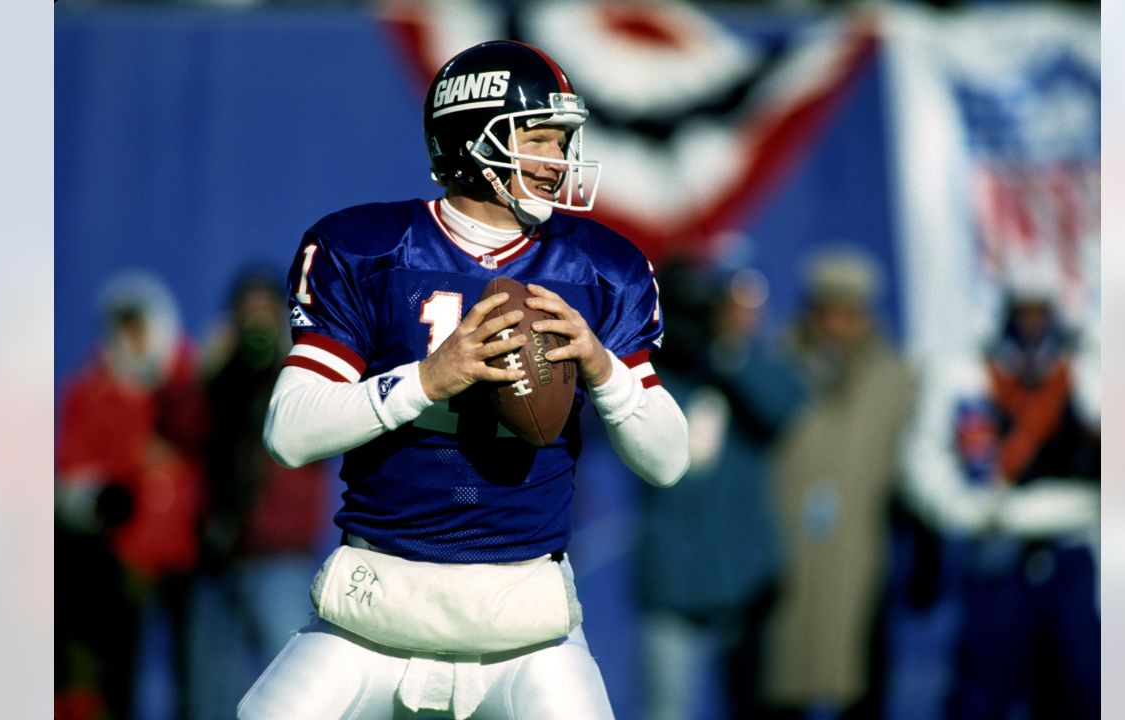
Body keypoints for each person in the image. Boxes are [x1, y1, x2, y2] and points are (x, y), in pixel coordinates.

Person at [237, 40, 690, 720]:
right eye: (540, 140)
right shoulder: (369, 249)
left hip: (526, 623)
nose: (560, 161)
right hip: (376, 610)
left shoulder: (598, 267)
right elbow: (290, 432)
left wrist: (602, 369)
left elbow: (668, 459)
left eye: (563, 141)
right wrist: (424, 380)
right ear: (476, 142)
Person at [901, 277, 1100, 720]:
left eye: (1040, 312)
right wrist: (968, 512)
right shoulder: (969, 376)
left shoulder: (1086, 374)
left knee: (1081, 690)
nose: (1031, 325)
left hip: (1072, 552)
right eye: (1021, 312)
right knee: (980, 697)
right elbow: (924, 461)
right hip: (998, 554)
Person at [636, 261, 803, 720]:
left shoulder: (740, 368)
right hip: (674, 575)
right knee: (668, 709)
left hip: (745, 575)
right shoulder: (649, 376)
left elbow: (787, 407)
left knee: (755, 707)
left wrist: (727, 349)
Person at [762, 251, 916, 720]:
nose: (838, 326)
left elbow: (911, 470)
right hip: (787, 554)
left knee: (861, 677)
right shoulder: (777, 368)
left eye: (851, 313)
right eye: (829, 312)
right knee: (785, 677)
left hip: (862, 552)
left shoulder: (893, 377)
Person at [55, 270, 209, 720]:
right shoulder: (90, 392)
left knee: (193, 667)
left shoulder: (192, 382)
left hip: (189, 549)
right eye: (123, 326)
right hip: (126, 554)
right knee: (122, 662)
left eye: (140, 325)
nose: (133, 337)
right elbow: (75, 470)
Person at [186, 267, 331, 720]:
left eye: (266, 315)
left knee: (290, 697)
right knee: (210, 695)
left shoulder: (304, 378)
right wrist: (205, 375)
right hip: (218, 558)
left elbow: (323, 436)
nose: (256, 328)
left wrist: (292, 363)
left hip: (280, 560)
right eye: (247, 316)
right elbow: (180, 434)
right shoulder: (216, 383)